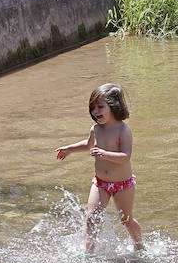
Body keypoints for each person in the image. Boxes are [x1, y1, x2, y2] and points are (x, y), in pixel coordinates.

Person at [54, 83, 143, 253]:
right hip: (100, 183)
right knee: (91, 217)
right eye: (93, 107)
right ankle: (88, 253)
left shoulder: (123, 130)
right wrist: (70, 149)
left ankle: (140, 246)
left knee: (126, 219)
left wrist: (105, 153)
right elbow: (88, 145)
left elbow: (126, 156)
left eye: (100, 107)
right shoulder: (96, 129)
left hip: (122, 184)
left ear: (114, 106)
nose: (96, 111)